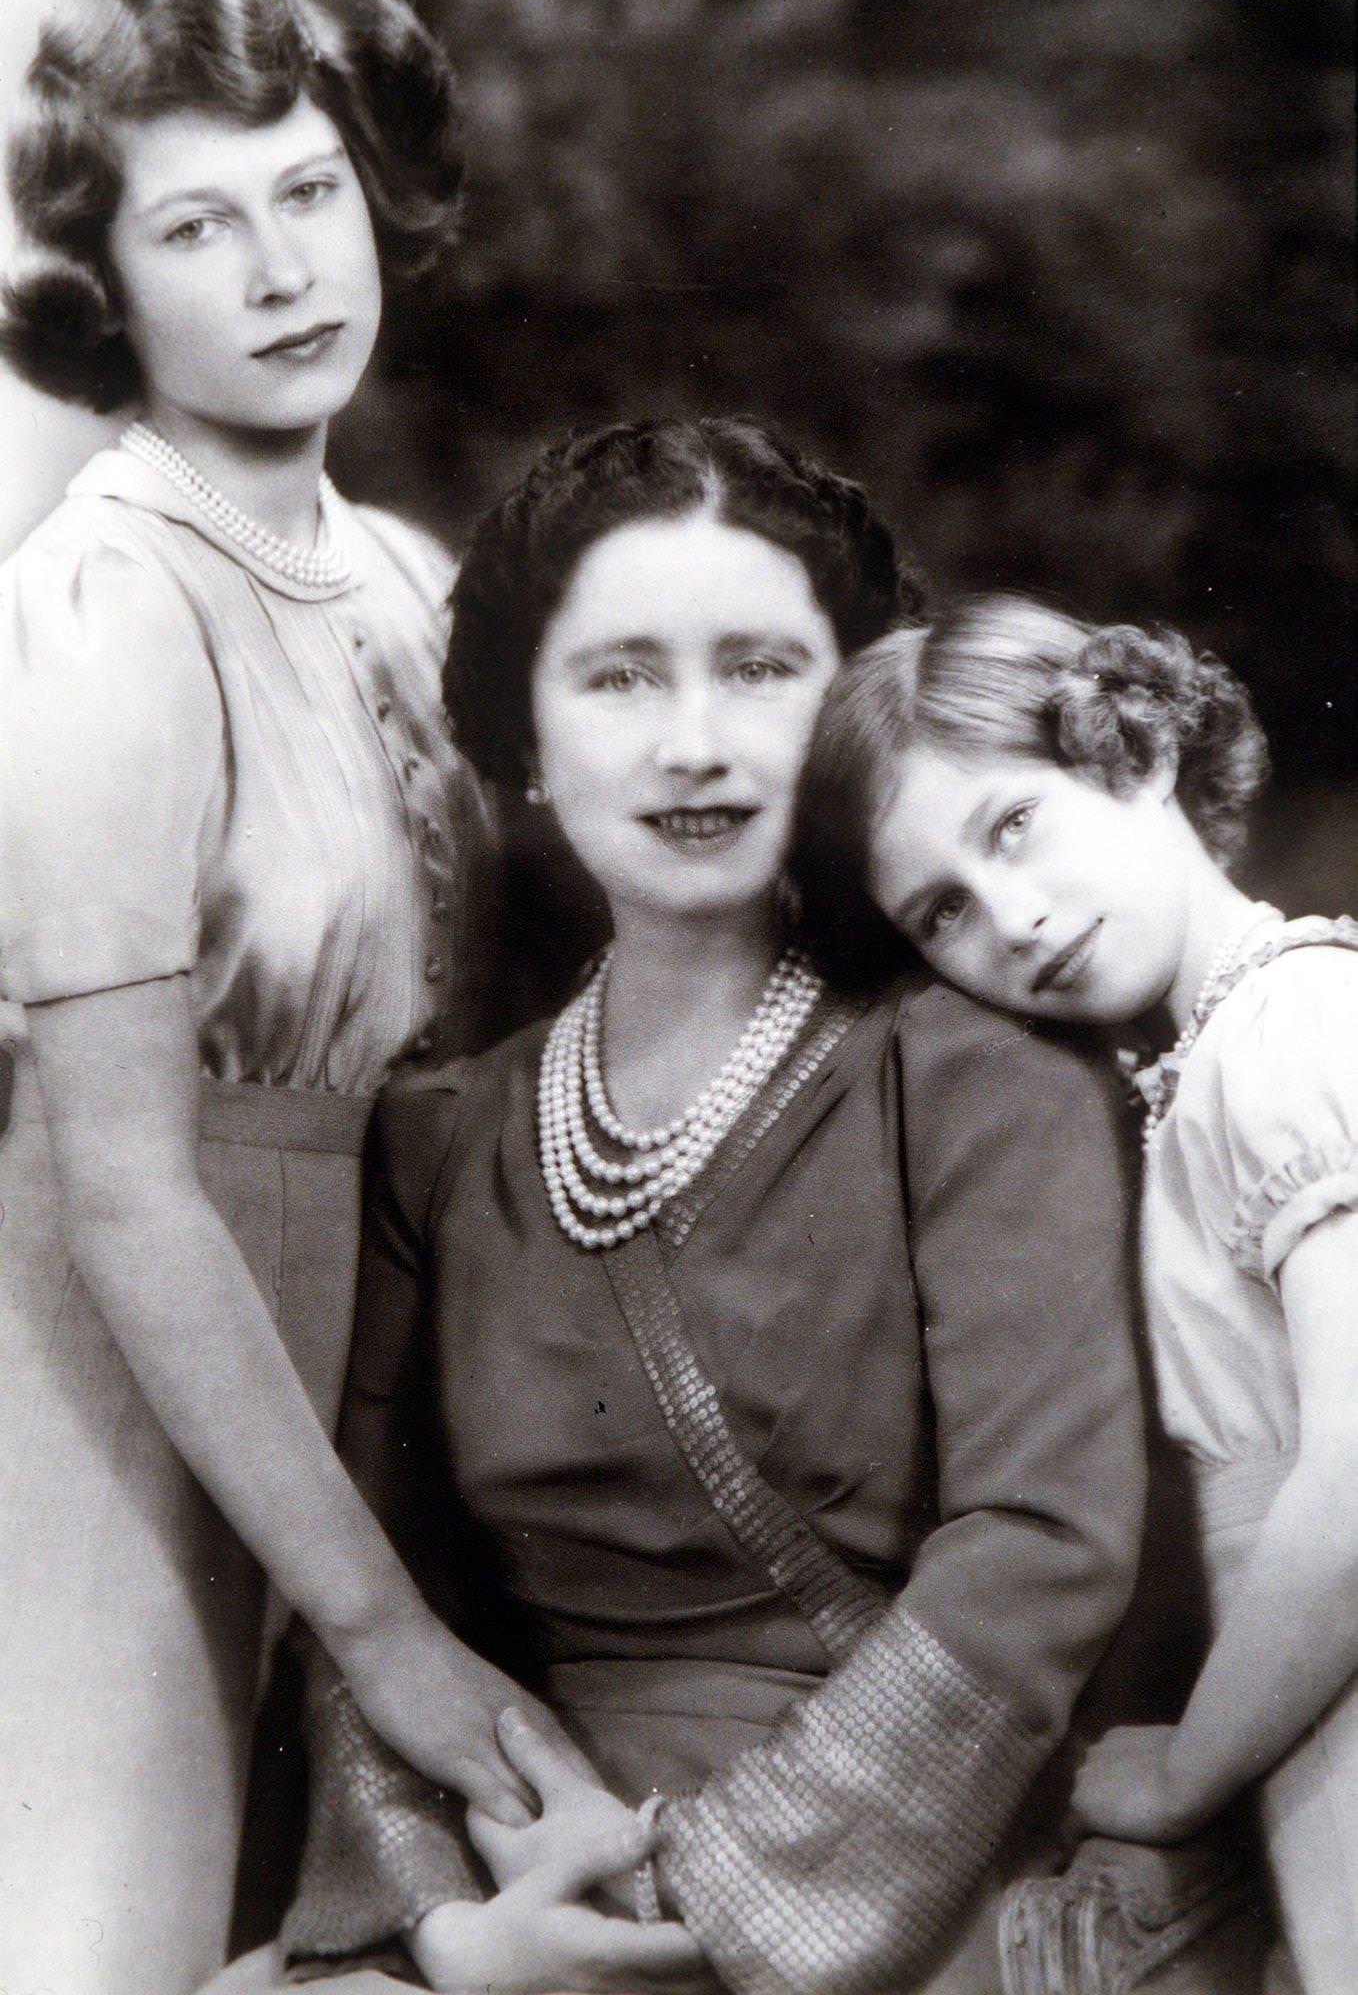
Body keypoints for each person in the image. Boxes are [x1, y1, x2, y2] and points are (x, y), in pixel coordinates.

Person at [219, 420, 1148, 1994]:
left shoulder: (971, 1072)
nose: (693, 743)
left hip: (895, 1889)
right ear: (521, 735)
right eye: (621, 677)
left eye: (762, 670)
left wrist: (687, 1918)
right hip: (525, 1866)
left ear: (851, 714)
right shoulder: (445, 1132)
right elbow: (381, 1597)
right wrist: (448, 1935)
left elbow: (1040, 1555)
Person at [0, 0, 577, 1990]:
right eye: (195, 224)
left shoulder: (412, 582)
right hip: (126, 1355)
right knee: (116, 1927)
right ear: (105, 289)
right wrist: (383, 1624)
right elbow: (126, 1180)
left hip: (380, 1336)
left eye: (309, 190)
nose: (278, 268)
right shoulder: (98, 607)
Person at [795, 596, 1358, 1992]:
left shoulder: (1285, 1040)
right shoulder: (1204, 1065)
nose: (1012, 919)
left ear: (1140, 750)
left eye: (1010, 827)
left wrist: (1188, 1773)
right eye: (941, 912)